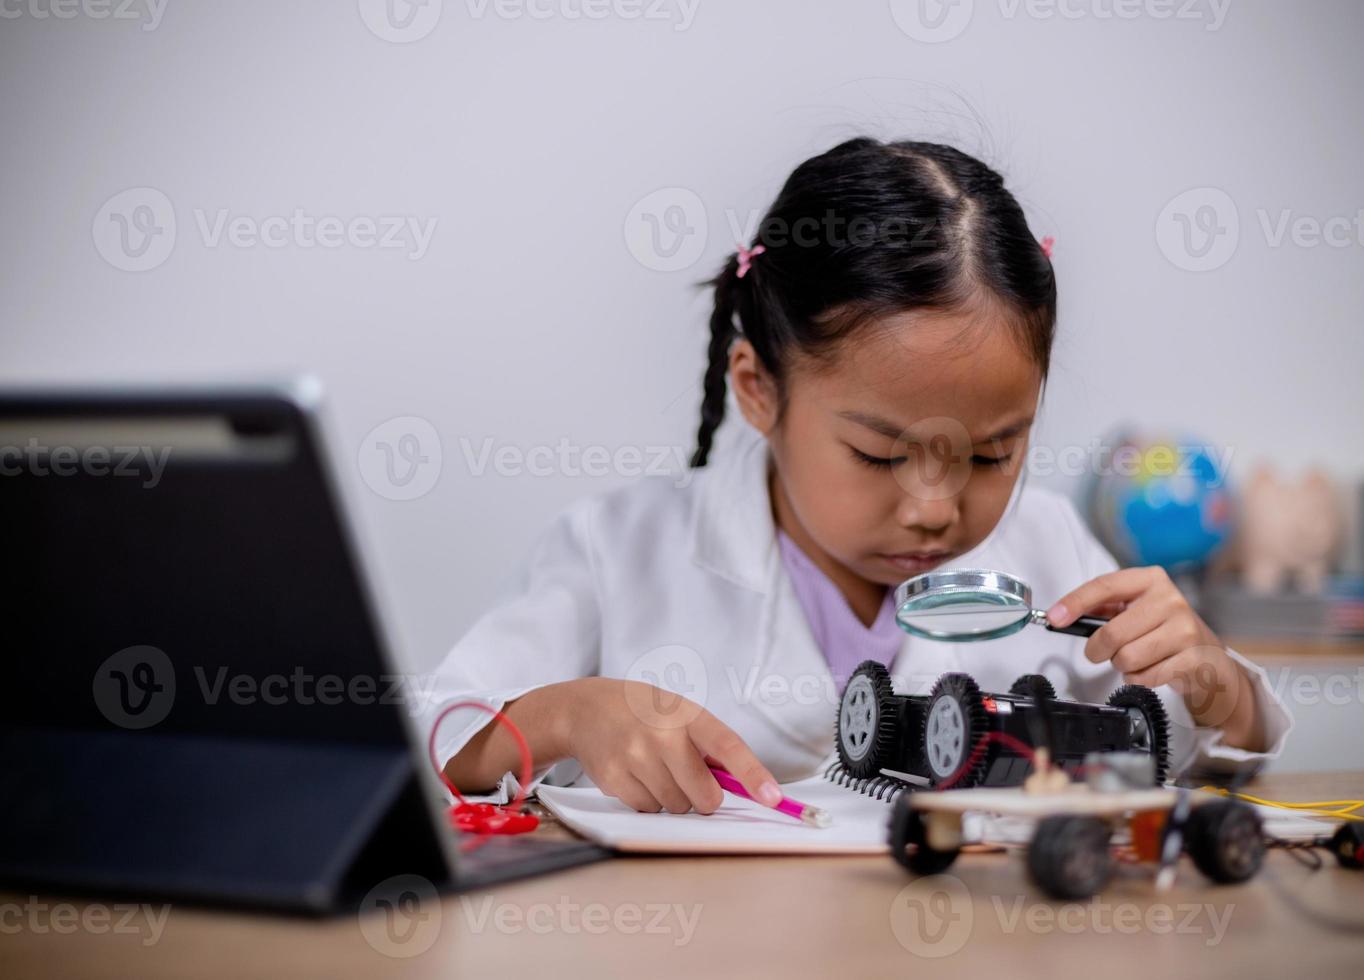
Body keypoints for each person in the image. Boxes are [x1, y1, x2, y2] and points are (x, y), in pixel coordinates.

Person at [423, 137, 1291, 815]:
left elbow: (1185, 749)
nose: (935, 509)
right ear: (759, 390)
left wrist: (1224, 692)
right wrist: (564, 713)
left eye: (992, 454)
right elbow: (438, 738)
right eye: (879, 455)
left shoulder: (1049, 545)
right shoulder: (618, 550)